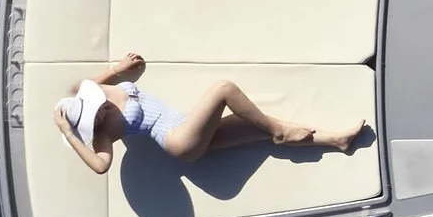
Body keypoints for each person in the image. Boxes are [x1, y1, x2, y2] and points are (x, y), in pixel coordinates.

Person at [53, 52, 368, 176]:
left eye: (95, 106)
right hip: (178, 141)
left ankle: (337, 140)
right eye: (95, 117)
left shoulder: (93, 91)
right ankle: (281, 131)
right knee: (224, 89)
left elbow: (98, 81)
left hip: (187, 124)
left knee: (259, 127)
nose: (101, 111)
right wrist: (69, 135)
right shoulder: (107, 134)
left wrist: (120, 69)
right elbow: (100, 166)